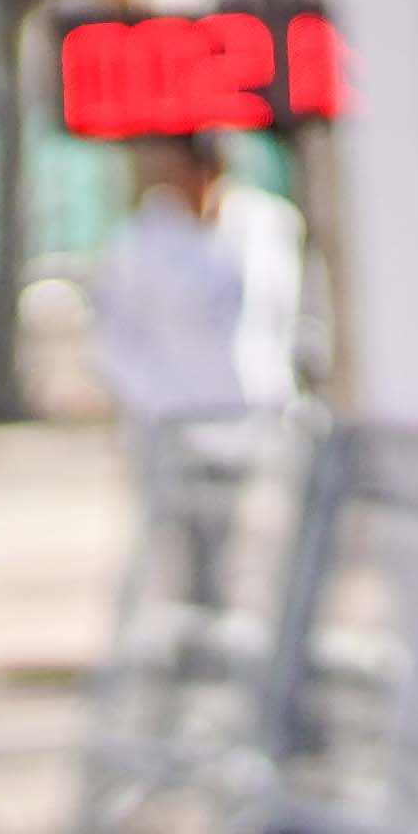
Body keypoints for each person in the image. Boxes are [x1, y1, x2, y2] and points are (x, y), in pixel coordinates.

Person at [89, 132, 304, 619]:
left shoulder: (266, 224)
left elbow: (280, 317)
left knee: (245, 547)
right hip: (172, 422)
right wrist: (159, 399)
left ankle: (234, 634)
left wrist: (279, 383)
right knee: (177, 549)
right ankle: (187, 639)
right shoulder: (140, 240)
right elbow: (115, 337)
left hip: (249, 415)